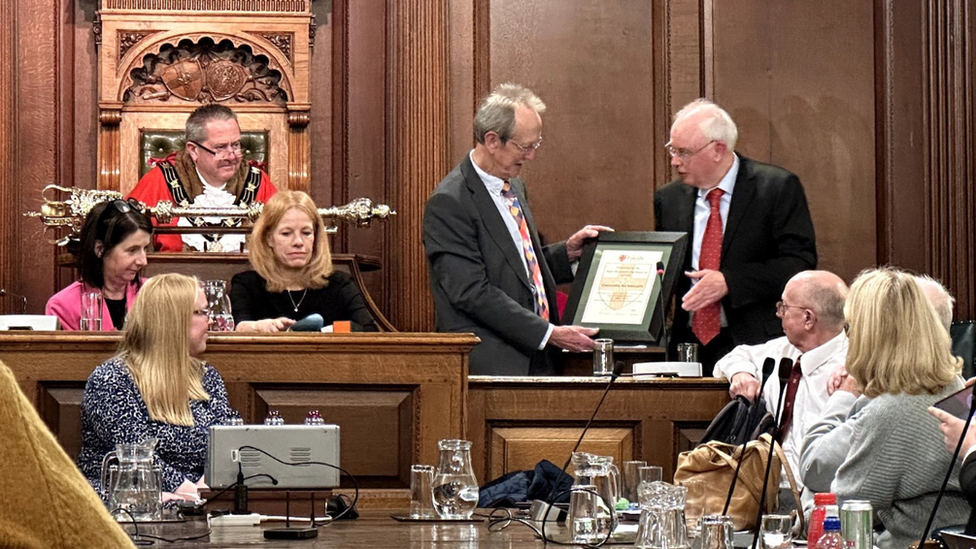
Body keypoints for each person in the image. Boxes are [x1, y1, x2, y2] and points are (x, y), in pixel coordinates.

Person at [423, 83, 610, 376]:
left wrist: (566, 254)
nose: (532, 156)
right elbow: (471, 291)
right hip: (493, 365)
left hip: (538, 358)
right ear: (493, 140)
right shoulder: (449, 203)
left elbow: (514, 269)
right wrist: (549, 333)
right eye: (525, 147)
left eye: (536, 145)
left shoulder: (515, 185)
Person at [798, 267, 967, 549]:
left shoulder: (891, 410)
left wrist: (800, 511)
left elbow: (842, 516)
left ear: (870, 337)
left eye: (849, 329)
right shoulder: (955, 386)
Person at [654, 99, 817, 372]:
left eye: (684, 152)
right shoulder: (668, 199)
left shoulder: (776, 189)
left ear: (718, 149)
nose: (674, 160)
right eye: (673, 149)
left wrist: (730, 281)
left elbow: (798, 264)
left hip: (755, 343)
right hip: (689, 347)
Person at [76, 273, 234, 497]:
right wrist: (192, 497)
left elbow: (226, 444)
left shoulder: (207, 377)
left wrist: (208, 490)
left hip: (200, 500)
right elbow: (135, 455)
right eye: (201, 312)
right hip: (129, 501)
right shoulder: (112, 379)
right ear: (172, 320)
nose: (210, 321)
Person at [712, 270, 848, 509]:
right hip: (766, 495)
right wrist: (740, 372)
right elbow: (736, 355)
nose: (778, 314)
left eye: (784, 307)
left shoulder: (853, 369)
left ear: (808, 318)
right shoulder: (781, 350)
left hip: (826, 502)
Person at [126, 104, 277, 252]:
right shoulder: (159, 180)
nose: (231, 156)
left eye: (236, 145)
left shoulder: (257, 182)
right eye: (220, 147)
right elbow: (125, 238)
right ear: (193, 150)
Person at [231, 190, 377, 332]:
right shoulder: (246, 284)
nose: (298, 242)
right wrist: (257, 327)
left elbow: (368, 331)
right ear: (269, 238)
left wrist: (325, 331)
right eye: (286, 233)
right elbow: (239, 326)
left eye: (306, 233)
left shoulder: (340, 284)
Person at [45, 199, 153, 331]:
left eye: (145, 248)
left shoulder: (154, 294)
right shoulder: (63, 305)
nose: (143, 261)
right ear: (100, 249)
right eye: (132, 250)